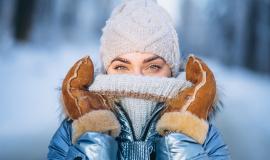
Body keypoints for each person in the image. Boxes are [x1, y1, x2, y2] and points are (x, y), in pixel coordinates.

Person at [47, 0, 231, 159]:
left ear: (172, 71)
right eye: (121, 67)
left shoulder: (202, 135)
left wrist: (182, 135)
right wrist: (93, 134)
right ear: (106, 70)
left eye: (153, 67)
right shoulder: (73, 132)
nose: (136, 79)